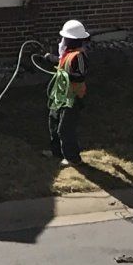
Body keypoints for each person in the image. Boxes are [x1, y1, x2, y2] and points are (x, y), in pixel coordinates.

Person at [47, 20, 90, 168]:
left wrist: (66, 75)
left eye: (65, 38)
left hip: (72, 99)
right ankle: (57, 152)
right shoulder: (67, 54)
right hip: (59, 96)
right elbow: (61, 61)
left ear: (72, 40)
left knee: (65, 129)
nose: (62, 41)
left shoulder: (78, 56)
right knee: (53, 121)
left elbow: (80, 74)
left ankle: (73, 158)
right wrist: (49, 58)